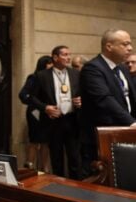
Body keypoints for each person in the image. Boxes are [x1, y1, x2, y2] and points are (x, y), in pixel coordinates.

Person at [80, 29, 136, 177]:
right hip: (100, 139)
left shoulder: (122, 68)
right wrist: (131, 123)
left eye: (130, 44)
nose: (130, 48)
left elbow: (130, 98)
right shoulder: (93, 68)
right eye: (125, 44)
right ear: (109, 46)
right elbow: (104, 99)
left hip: (124, 135)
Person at [28, 46, 82, 179]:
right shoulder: (42, 76)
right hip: (53, 121)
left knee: (75, 158)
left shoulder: (75, 74)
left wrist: (82, 100)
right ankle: (59, 190)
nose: (68, 58)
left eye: (69, 54)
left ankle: (77, 188)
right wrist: (45, 107)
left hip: (72, 120)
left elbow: (85, 93)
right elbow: (31, 97)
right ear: (55, 57)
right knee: (56, 159)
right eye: (64, 55)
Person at [18, 55, 53, 172]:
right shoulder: (34, 77)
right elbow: (23, 95)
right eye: (49, 65)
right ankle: (30, 167)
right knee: (35, 140)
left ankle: (44, 169)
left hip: (48, 113)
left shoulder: (52, 78)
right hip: (36, 113)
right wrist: (37, 104)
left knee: (45, 142)